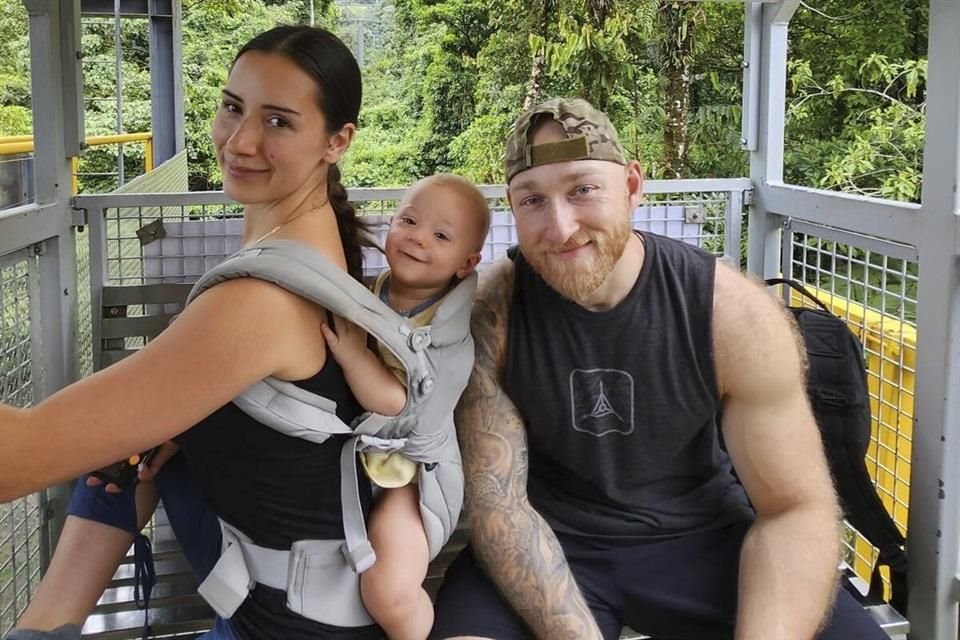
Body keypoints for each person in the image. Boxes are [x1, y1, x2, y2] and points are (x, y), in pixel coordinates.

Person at [428, 97, 890, 640]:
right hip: (545, 545)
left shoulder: (730, 313)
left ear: (631, 186)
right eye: (534, 200)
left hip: (704, 541)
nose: (560, 226)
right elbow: (499, 503)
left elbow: (793, 507)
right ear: (513, 207)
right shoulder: (490, 313)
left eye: (582, 190)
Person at [1, 25, 384, 640]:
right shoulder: (311, 251)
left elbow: (14, 462)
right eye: (233, 107)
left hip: (286, 627)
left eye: (279, 122)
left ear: (336, 142)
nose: (240, 139)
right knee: (129, 450)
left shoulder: (257, 301)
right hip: (288, 594)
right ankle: (46, 628)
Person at [320, 174, 490, 640]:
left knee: (388, 591)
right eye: (408, 221)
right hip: (357, 450)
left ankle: (414, 629)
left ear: (466, 263)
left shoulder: (448, 337)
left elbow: (402, 407)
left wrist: (354, 357)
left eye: (440, 235)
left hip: (413, 473)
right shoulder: (373, 292)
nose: (416, 238)